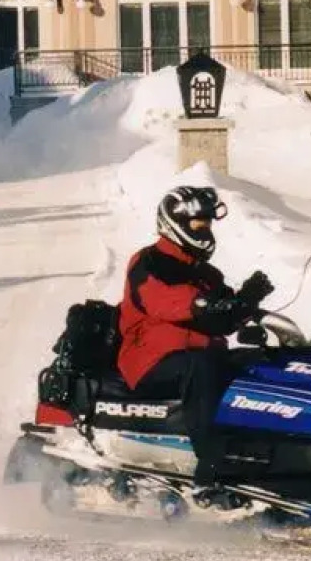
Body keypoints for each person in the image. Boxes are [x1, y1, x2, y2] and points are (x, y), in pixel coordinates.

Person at [115, 185, 274, 479]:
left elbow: (223, 320)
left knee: (258, 365)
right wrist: (204, 304)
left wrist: (246, 300)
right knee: (200, 367)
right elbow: (164, 301)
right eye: (199, 225)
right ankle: (210, 469)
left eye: (208, 224)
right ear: (176, 224)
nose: (205, 231)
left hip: (202, 354)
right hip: (150, 359)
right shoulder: (148, 262)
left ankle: (270, 453)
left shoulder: (207, 274)